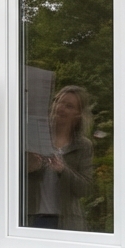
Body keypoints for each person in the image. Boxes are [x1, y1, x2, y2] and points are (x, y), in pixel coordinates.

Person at [25, 85, 94, 231]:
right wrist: (28, 166)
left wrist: (63, 170)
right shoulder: (34, 136)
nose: (60, 107)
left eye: (68, 106)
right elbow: (9, 177)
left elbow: (85, 190)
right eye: (57, 101)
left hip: (67, 222)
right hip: (31, 219)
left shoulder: (83, 146)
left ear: (78, 114)